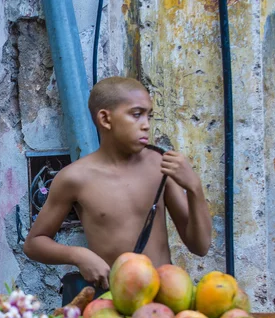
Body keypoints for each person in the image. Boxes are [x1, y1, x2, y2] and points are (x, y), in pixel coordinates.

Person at [23, 76, 212, 294]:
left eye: (149, 116)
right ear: (105, 118)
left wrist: (194, 188)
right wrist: (78, 255)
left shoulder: (160, 165)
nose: (146, 125)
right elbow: (34, 243)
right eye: (136, 114)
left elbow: (200, 246)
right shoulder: (75, 177)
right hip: (114, 303)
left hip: (165, 299)